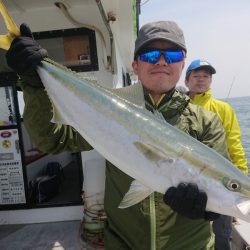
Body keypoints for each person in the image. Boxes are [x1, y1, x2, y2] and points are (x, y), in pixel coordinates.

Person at [6, 21, 230, 250]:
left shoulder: (206, 122)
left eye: (172, 55)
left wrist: (208, 209)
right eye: (152, 54)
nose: (162, 61)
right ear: (135, 64)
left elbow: (221, 181)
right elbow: (52, 139)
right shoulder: (108, 105)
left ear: (182, 64)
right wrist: (34, 84)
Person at [185, 59, 248, 250]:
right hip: (189, 179)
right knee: (190, 228)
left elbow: (234, 145)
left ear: (211, 81)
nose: (201, 80)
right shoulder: (180, 107)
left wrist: (242, 182)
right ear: (187, 81)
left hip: (220, 183)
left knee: (222, 231)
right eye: (196, 76)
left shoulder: (224, 109)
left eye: (206, 76)